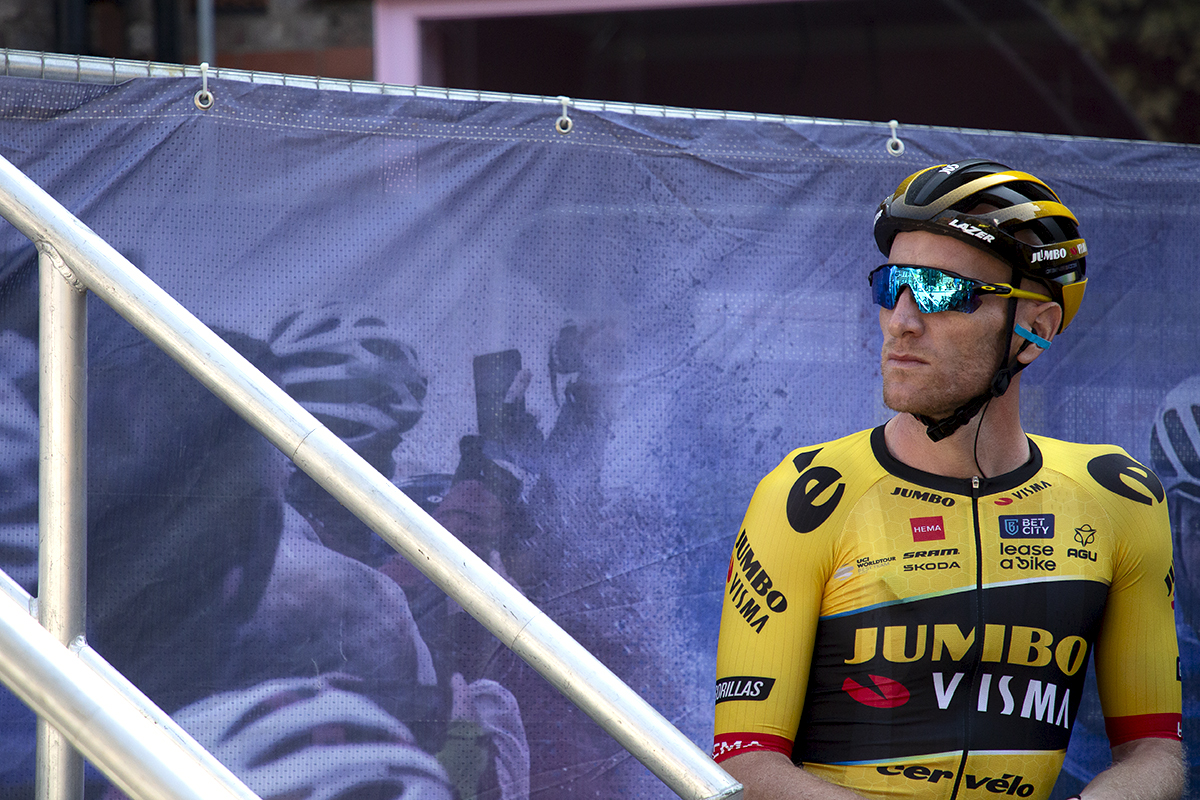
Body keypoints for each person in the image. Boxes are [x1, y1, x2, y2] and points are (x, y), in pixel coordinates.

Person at [713, 159, 1184, 800]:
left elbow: (1156, 749)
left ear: (1035, 329)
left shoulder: (1117, 497)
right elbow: (742, 763)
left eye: (941, 291)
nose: (902, 320)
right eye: (893, 286)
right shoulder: (809, 494)